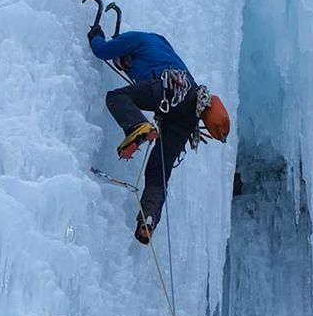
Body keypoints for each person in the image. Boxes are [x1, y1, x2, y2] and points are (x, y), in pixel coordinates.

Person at [89, 20, 231, 243]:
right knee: (158, 173)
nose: (126, 67)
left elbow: (101, 51)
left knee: (117, 97)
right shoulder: (162, 46)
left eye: (125, 62)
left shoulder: (135, 39)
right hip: (188, 112)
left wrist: (95, 34)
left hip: (168, 88)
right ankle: (149, 218)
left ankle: (138, 126)